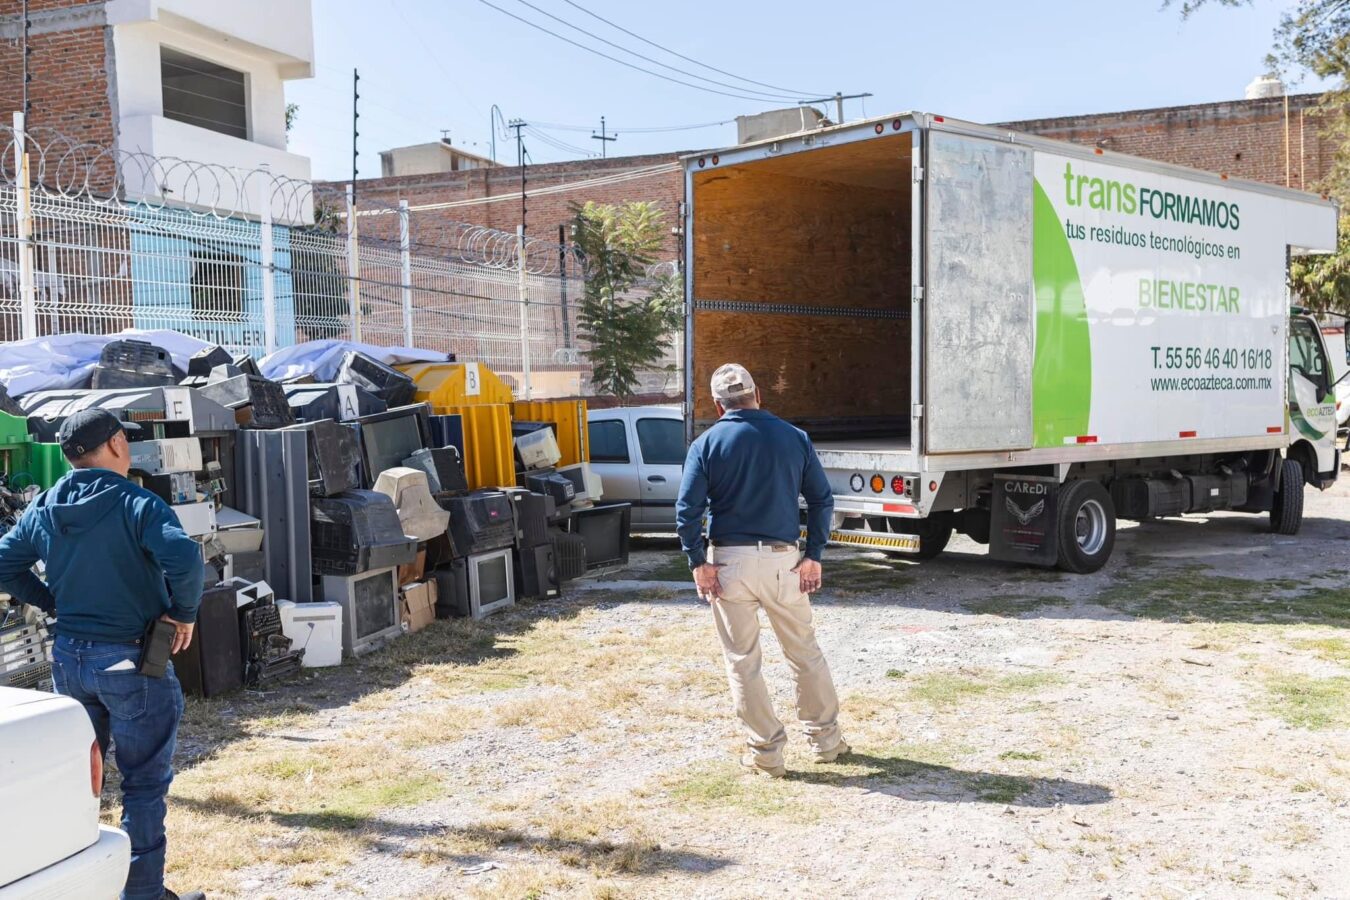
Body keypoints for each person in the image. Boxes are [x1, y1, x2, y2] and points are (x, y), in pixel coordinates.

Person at [0, 409, 206, 900]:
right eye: (126, 441)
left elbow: (5, 563)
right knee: (143, 785)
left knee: (73, 784)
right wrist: (185, 612)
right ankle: (142, 893)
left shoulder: (46, 504)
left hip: (69, 660)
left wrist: (53, 601)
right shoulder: (137, 502)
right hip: (132, 661)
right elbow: (185, 558)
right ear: (115, 444)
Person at [676, 363, 847, 777]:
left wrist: (698, 562)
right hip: (783, 559)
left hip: (729, 563)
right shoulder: (794, 438)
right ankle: (826, 741)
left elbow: (687, 511)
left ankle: (766, 754)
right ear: (758, 395)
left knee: (742, 660)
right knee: (804, 651)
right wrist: (814, 554)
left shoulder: (707, 443)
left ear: (719, 406)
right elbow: (822, 500)